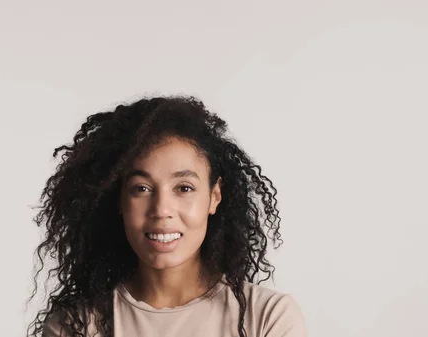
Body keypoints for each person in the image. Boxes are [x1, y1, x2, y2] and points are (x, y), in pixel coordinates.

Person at [26, 95, 307, 337]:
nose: (161, 209)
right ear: (119, 200)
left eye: (184, 188)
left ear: (215, 196)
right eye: (142, 189)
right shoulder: (75, 326)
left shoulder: (267, 318)